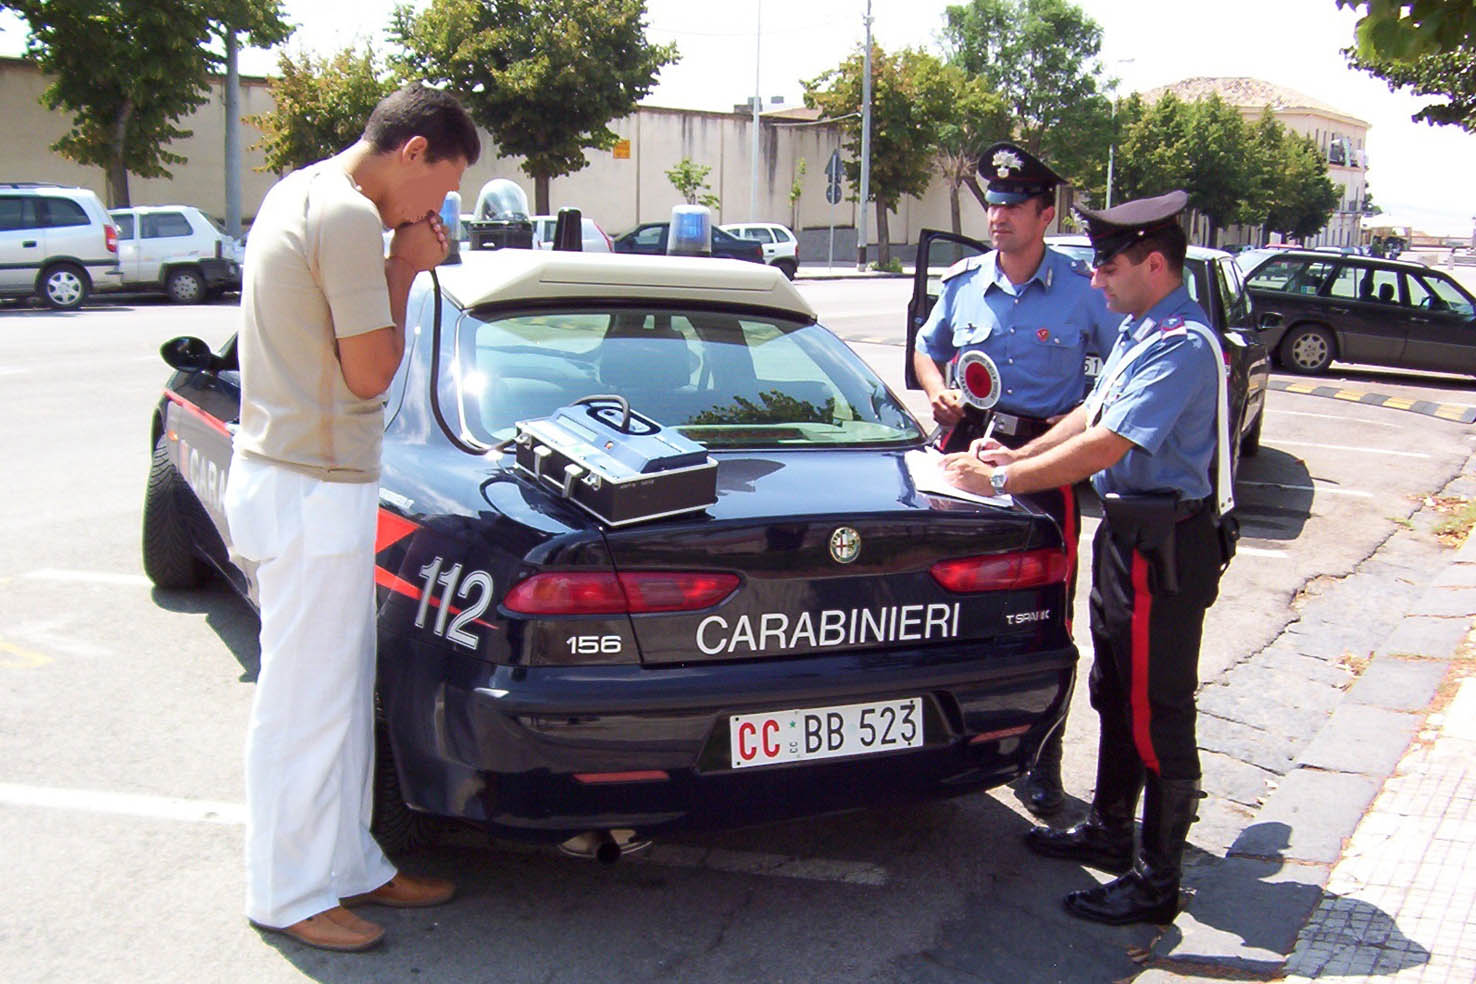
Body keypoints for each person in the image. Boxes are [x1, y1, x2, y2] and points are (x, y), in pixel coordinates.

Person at [223, 83, 481, 953]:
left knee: (333, 697)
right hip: (310, 485)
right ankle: (289, 891)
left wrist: (396, 256)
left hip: (298, 478)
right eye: (441, 188)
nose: (437, 209)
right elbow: (371, 373)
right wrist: (407, 267)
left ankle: (349, 864)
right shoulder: (341, 216)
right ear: (413, 152)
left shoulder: (301, 193)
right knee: (304, 705)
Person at [939, 190, 1235, 925]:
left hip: (1164, 546)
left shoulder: (1182, 344)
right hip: (1129, 538)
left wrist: (1001, 480)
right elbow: (1089, 412)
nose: (1094, 280)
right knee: (1112, 689)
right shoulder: (1144, 329)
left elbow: (1109, 446)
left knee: (1156, 709)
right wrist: (1020, 449)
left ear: (1155, 262)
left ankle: (1156, 880)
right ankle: (1109, 830)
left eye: (1106, 265)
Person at [912, 141, 1118, 817]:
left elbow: (1119, 372)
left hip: (1040, 459)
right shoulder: (965, 281)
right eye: (992, 204)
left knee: (1043, 616)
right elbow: (927, 348)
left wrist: (1072, 431)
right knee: (938, 603)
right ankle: (936, 743)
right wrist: (938, 389)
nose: (998, 217)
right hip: (963, 445)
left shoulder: (1083, 291)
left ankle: (1039, 761)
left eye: (1013, 206)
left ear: (1045, 212)